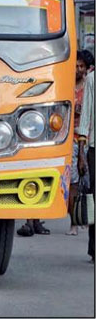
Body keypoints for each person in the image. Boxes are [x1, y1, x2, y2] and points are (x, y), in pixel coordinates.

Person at [69, 51, 90, 235]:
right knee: (73, 183)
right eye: (75, 66)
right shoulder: (67, 87)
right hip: (70, 140)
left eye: (81, 66)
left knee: (89, 185)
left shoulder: (89, 87)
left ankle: (88, 221)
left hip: (88, 140)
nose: (78, 69)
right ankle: (74, 222)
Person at [75, 68, 94, 262]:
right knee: (94, 199)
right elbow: (86, 114)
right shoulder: (92, 79)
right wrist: (81, 153)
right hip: (94, 148)